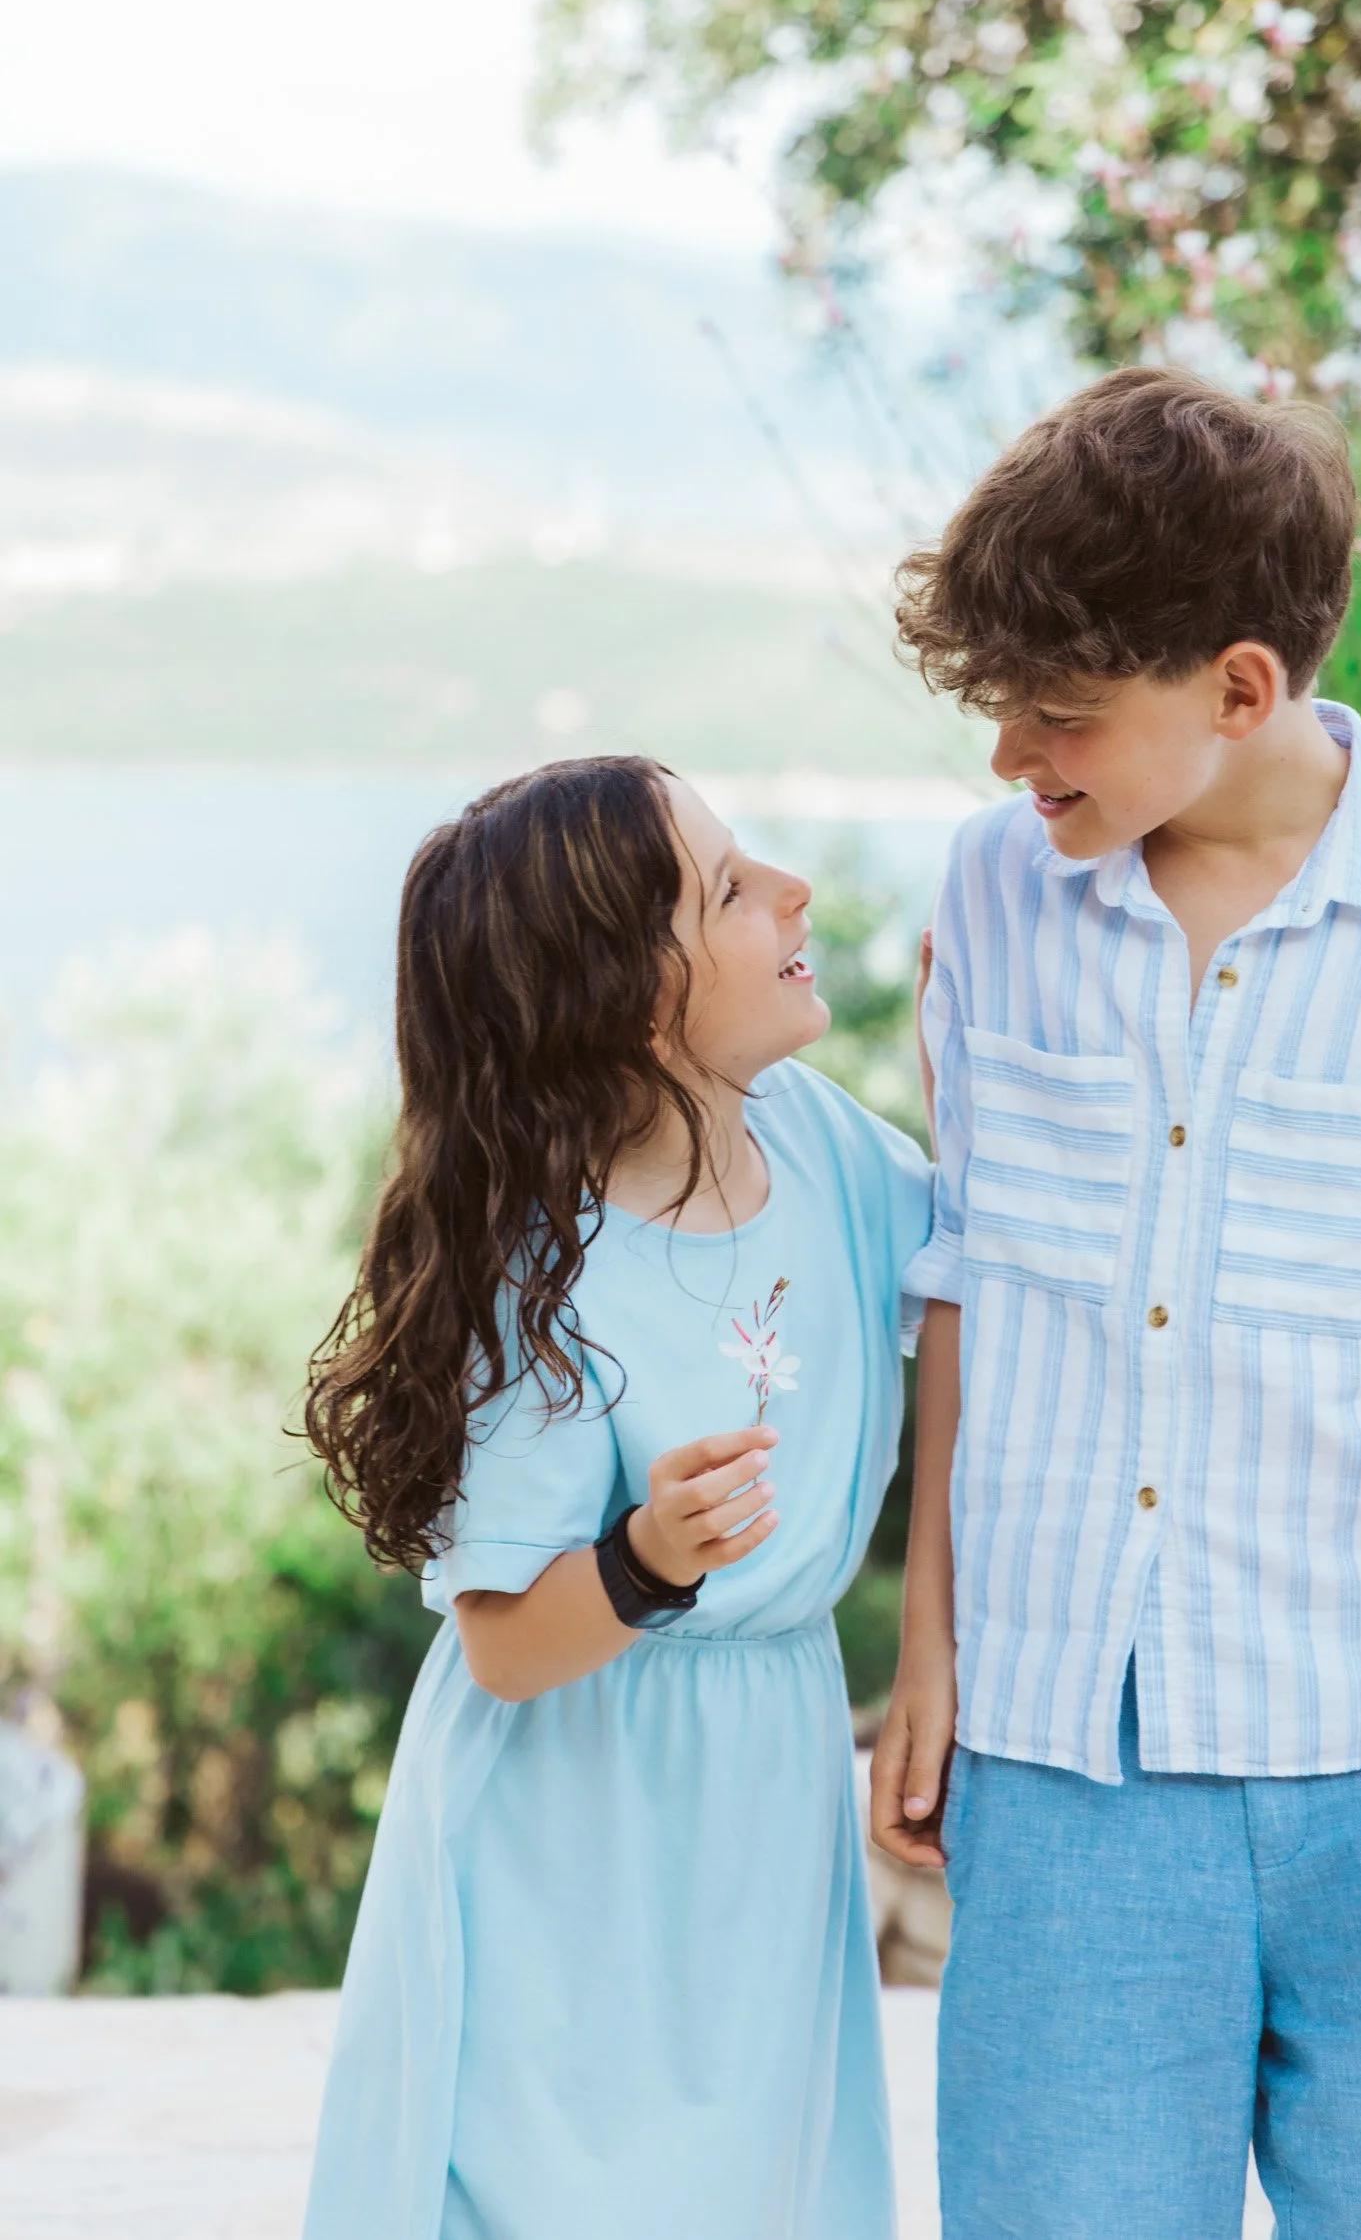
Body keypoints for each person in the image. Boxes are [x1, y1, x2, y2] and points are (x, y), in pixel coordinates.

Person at [871, 366, 1361, 2239]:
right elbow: (966, 1278)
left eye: (1056, 717)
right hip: (1063, 1766)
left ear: (1240, 688)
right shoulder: (993, 896)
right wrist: (928, 1648)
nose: (1009, 761)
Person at [301, 755, 930, 2240]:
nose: (791, 892)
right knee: (560, 2186)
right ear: (622, 1000)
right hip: (576, 1807)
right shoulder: (546, 1271)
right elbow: (509, 1645)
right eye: (724, 887)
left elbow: (984, 1272)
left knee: (749, 2179)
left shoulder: (828, 1146)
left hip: (760, 1775)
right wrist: (648, 1556)